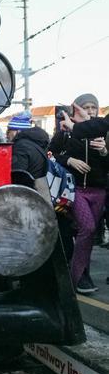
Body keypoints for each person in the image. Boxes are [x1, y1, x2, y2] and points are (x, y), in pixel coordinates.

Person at [51, 93, 108, 294]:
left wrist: (104, 152)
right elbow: (50, 154)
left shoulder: (103, 132)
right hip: (75, 190)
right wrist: (69, 161)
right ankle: (74, 279)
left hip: (99, 191)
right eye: (87, 107)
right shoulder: (66, 131)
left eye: (94, 107)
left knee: (88, 235)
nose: (91, 111)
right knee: (88, 228)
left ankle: (85, 275)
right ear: (76, 110)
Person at [6, 111, 51, 203]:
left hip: (26, 198)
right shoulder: (35, 144)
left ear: (17, 131)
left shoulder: (20, 147)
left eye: (9, 130)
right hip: (39, 194)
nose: (7, 134)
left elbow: (18, 176)